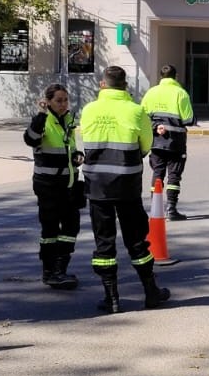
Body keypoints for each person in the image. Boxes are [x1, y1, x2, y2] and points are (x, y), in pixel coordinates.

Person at [79, 65, 169, 314]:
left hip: (97, 185)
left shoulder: (89, 110)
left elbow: (85, 138)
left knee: (104, 243)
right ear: (125, 85)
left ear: (102, 84)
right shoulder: (136, 110)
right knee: (137, 241)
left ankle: (112, 298)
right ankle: (151, 292)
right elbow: (145, 145)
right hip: (127, 185)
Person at [23, 83, 83, 290]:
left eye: (65, 100)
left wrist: (77, 155)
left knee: (71, 227)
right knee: (50, 229)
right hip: (48, 185)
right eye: (58, 100)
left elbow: (68, 148)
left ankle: (60, 270)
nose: (63, 104)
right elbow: (30, 139)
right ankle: (50, 272)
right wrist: (40, 115)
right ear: (48, 102)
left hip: (69, 183)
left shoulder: (68, 120)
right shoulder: (43, 120)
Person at [140, 64, 196, 221]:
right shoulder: (180, 93)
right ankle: (171, 208)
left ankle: (155, 208)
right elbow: (188, 119)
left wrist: (156, 126)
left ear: (161, 77)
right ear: (175, 77)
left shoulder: (151, 93)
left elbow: (142, 117)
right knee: (174, 175)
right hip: (176, 142)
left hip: (156, 142)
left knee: (157, 172)